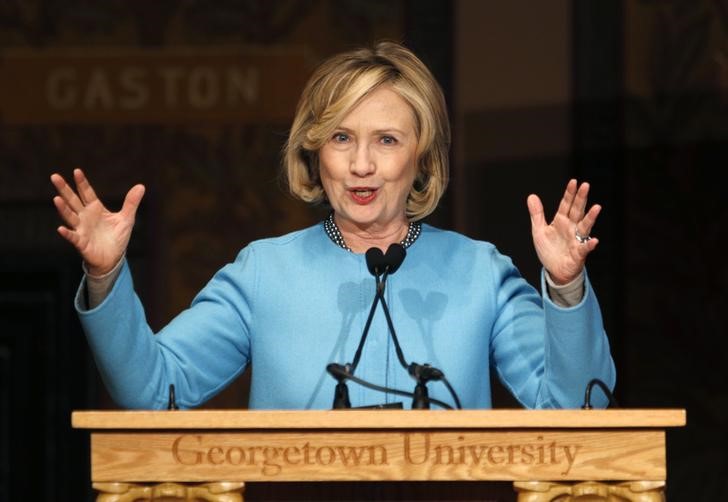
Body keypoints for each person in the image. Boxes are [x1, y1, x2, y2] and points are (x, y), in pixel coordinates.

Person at [50, 41, 615, 410]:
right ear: (315, 151)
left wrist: (565, 288)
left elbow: (579, 411)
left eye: (387, 140)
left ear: (422, 157)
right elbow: (152, 396)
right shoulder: (263, 273)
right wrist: (106, 275)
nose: (361, 164)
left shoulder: (480, 272)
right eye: (342, 137)